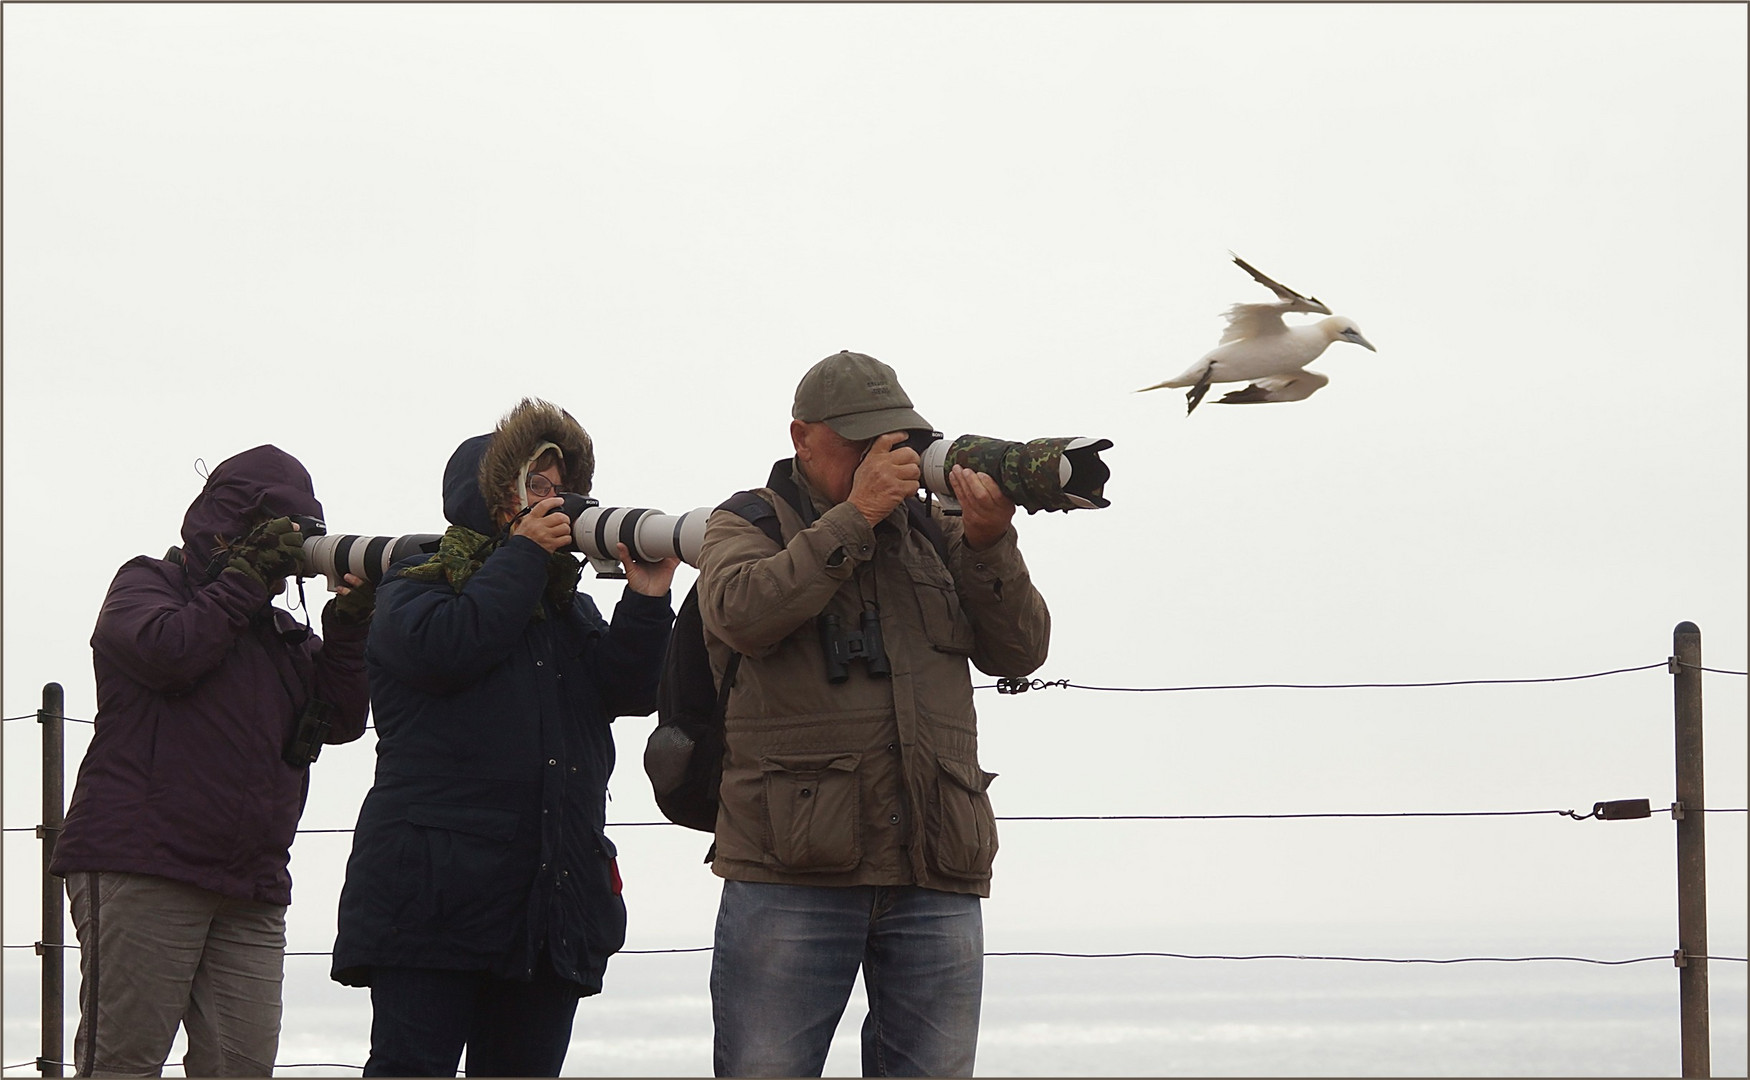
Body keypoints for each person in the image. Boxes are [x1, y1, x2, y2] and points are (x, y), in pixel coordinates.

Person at [697, 351, 1052, 1077]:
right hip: (791, 869)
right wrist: (854, 517)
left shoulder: (932, 535)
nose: (880, 456)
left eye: (892, 438)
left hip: (934, 864)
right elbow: (742, 611)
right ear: (801, 436)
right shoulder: (748, 523)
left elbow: (1020, 650)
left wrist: (989, 541)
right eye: (858, 440)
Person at [330, 398, 678, 1078]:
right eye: (537, 489)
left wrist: (645, 600)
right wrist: (521, 556)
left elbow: (628, 694)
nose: (557, 504)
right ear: (490, 498)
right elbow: (450, 648)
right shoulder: (414, 585)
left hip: (548, 909)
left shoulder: (565, 609)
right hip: (431, 909)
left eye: (561, 490)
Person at [50, 444, 374, 1077]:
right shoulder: (147, 584)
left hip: (248, 884)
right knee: (123, 1064)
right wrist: (244, 580)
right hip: (140, 864)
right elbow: (171, 653)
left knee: (241, 1067)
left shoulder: (281, 634)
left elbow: (339, 720)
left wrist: (350, 625)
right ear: (230, 522)